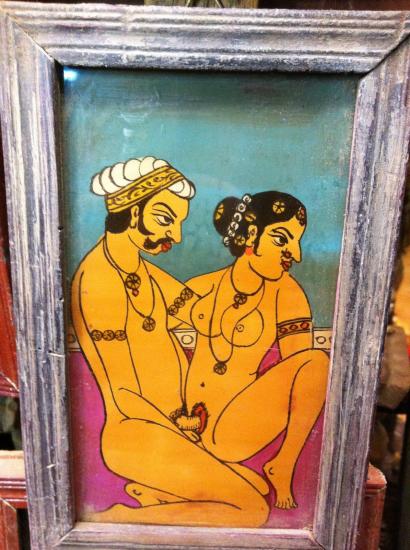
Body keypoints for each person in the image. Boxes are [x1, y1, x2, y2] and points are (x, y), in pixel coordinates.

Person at [71, 156, 269, 527]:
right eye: (165, 219)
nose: (175, 236)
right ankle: (120, 518)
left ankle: (155, 495)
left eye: (178, 223)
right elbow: (124, 392)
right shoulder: (99, 280)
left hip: (167, 430)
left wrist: (249, 276)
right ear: (132, 211)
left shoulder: (142, 272)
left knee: (257, 486)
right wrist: (179, 423)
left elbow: (200, 312)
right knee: (253, 511)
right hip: (135, 435)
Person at [177, 191, 329, 510]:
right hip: (188, 426)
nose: (295, 254)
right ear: (250, 235)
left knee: (317, 363)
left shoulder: (287, 294)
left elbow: (300, 371)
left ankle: (283, 464)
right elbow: (153, 334)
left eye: (297, 242)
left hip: (235, 431)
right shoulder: (202, 286)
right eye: (282, 239)